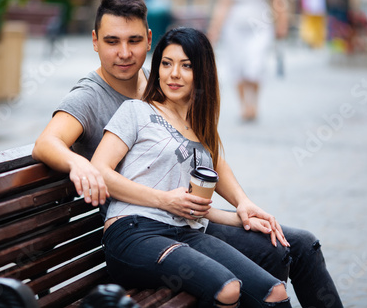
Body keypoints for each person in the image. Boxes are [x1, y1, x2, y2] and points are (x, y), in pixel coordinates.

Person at [33, 0, 343, 308]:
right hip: (141, 226)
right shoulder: (90, 96)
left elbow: (204, 152)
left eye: (134, 41)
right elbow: (46, 143)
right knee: (252, 274)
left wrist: (242, 203)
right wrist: (79, 164)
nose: (124, 53)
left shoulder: (161, 82)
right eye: (112, 41)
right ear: (95, 41)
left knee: (297, 246)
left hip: (187, 221)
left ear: (149, 39)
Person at [91, 27, 290, 308]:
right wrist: (164, 200)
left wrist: (241, 214)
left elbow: (196, 205)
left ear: (202, 73)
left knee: (275, 293)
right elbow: (99, 170)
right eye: (167, 63)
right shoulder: (136, 111)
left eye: (186, 66)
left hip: (186, 231)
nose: (174, 74)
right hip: (134, 231)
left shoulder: (199, 129)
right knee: (228, 288)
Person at [208, 0, 288, 121]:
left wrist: (282, 21)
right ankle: (244, 105)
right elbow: (223, 5)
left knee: (255, 64)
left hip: (260, 28)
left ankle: (254, 101)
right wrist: (215, 29)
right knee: (237, 65)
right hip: (234, 29)